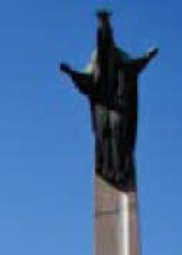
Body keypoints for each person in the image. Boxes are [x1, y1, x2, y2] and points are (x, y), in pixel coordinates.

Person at [60, 11, 158, 190]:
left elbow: (133, 67)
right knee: (104, 136)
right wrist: (71, 73)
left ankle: (121, 169)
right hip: (102, 108)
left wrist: (147, 58)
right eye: (101, 28)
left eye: (106, 27)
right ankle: (107, 168)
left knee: (119, 130)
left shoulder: (120, 56)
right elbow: (87, 78)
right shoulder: (96, 58)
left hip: (119, 106)